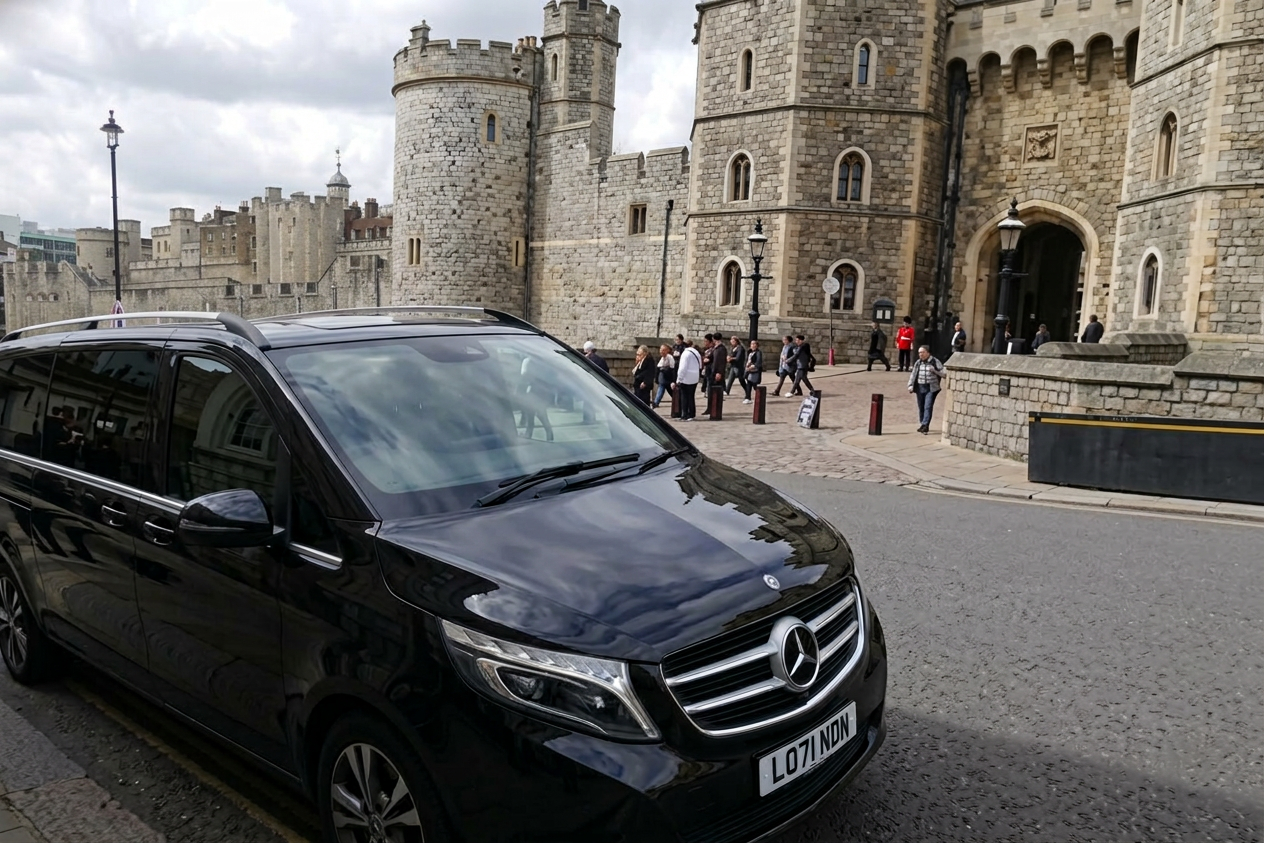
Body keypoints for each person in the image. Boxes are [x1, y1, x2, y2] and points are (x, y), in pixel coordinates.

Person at [907, 345, 945, 434]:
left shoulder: (935, 361)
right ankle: (922, 424)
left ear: (928, 353)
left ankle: (925, 425)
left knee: (928, 406)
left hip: (931, 388)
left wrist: (935, 371)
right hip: (920, 387)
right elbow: (913, 374)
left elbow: (944, 374)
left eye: (923, 352)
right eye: (919, 353)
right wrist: (910, 385)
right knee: (921, 406)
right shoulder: (918, 363)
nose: (921, 354)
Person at [675, 340, 703, 421]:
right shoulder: (696, 353)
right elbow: (700, 365)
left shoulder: (685, 354)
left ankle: (684, 414)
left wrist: (679, 379)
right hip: (695, 376)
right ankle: (691, 413)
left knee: (684, 396)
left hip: (686, 377)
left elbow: (682, 368)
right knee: (691, 396)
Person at [653, 344, 676, 408]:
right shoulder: (661, 358)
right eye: (660, 350)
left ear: (667, 350)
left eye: (663, 350)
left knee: (668, 390)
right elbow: (658, 368)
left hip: (668, 377)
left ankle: (677, 401)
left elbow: (672, 368)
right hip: (663, 378)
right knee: (661, 388)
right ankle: (656, 402)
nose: (661, 351)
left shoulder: (670, 357)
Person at [743, 340, 763, 404]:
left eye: (754, 344)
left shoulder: (758, 352)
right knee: (749, 384)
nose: (753, 345)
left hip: (755, 371)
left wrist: (753, 366)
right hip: (749, 371)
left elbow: (758, 361)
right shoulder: (749, 352)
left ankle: (760, 396)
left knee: (754, 385)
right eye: (752, 344)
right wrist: (746, 366)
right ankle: (747, 397)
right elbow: (747, 360)